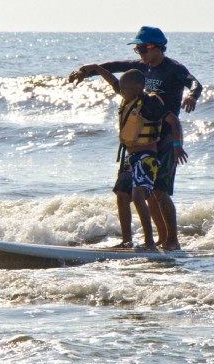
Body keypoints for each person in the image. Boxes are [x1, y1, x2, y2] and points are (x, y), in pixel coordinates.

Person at [68, 26, 199, 250]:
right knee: (140, 192)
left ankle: (171, 241)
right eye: (138, 49)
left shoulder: (173, 69)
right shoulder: (140, 67)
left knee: (160, 191)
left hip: (165, 139)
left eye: (144, 48)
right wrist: (85, 71)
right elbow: (114, 69)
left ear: (158, 47)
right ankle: (156, 240)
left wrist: (192, 94)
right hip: (139, 140)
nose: (141, 54)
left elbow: (194, 82)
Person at [83, 67, 172, 249]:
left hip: (146, 157)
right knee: (122, 196)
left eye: (124, 89)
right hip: (129, 158)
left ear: (138, 87)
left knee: (139, 196)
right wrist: (97, 69)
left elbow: (173, 121)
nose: (120, 91)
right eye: (121, 89)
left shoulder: (150, 103)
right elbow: (114, 82)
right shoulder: (128, 96)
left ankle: (149, 242)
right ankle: (126, 240)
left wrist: (177, 146)